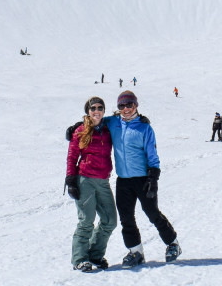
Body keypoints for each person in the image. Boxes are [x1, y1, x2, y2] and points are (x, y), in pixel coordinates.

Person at [106, 91, 180, 267]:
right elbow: (96, 121)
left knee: (152, 213)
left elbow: (152, 156)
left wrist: (153, 179)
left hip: (143, 179)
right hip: (123, 180)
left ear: (136, 106)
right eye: (121, 106)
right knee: (126, 218)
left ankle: (173, 243)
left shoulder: (145, 128)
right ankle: (136, 251)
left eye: (129, 105)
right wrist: (78, 126)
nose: (126, 109)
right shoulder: (113, 123)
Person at [65, 97, 116, 272]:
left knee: (110, 220)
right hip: (84, 179)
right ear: (88, 111)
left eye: (100, 107)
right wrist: (71, 180)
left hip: (103, 180)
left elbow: (124, 119)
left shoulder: (108, 128)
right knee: (86, 221)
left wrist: (142, 119)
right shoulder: (81, 130)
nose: (97, 110)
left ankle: (95, 254)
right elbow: (72, 156)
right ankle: (79, 259)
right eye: (93, 108)